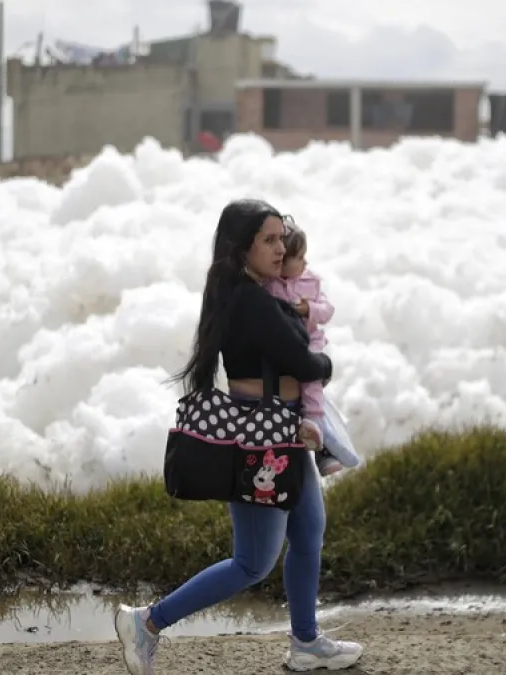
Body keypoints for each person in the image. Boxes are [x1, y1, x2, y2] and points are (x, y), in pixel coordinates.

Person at [113, 199, 365, 674]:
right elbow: (303, 361)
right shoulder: (250, 300)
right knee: (253, 562)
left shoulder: (257, 292)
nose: (280, 247)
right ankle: (147, 623)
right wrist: (325, 364)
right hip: (261, 433)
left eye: (281, 238)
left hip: (283, 425)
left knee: (309, 530)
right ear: (240, 247)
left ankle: (306, 642)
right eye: (268, 240)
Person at [262, 220, 349, 477]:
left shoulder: (311, 281)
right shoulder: (268, 285)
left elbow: (327, 310)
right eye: (298, 257)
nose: (305, 263)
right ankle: (323, 447)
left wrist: (308, 309)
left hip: (310, 342)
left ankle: (314, 423)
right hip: (284, 353)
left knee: (311, 381)